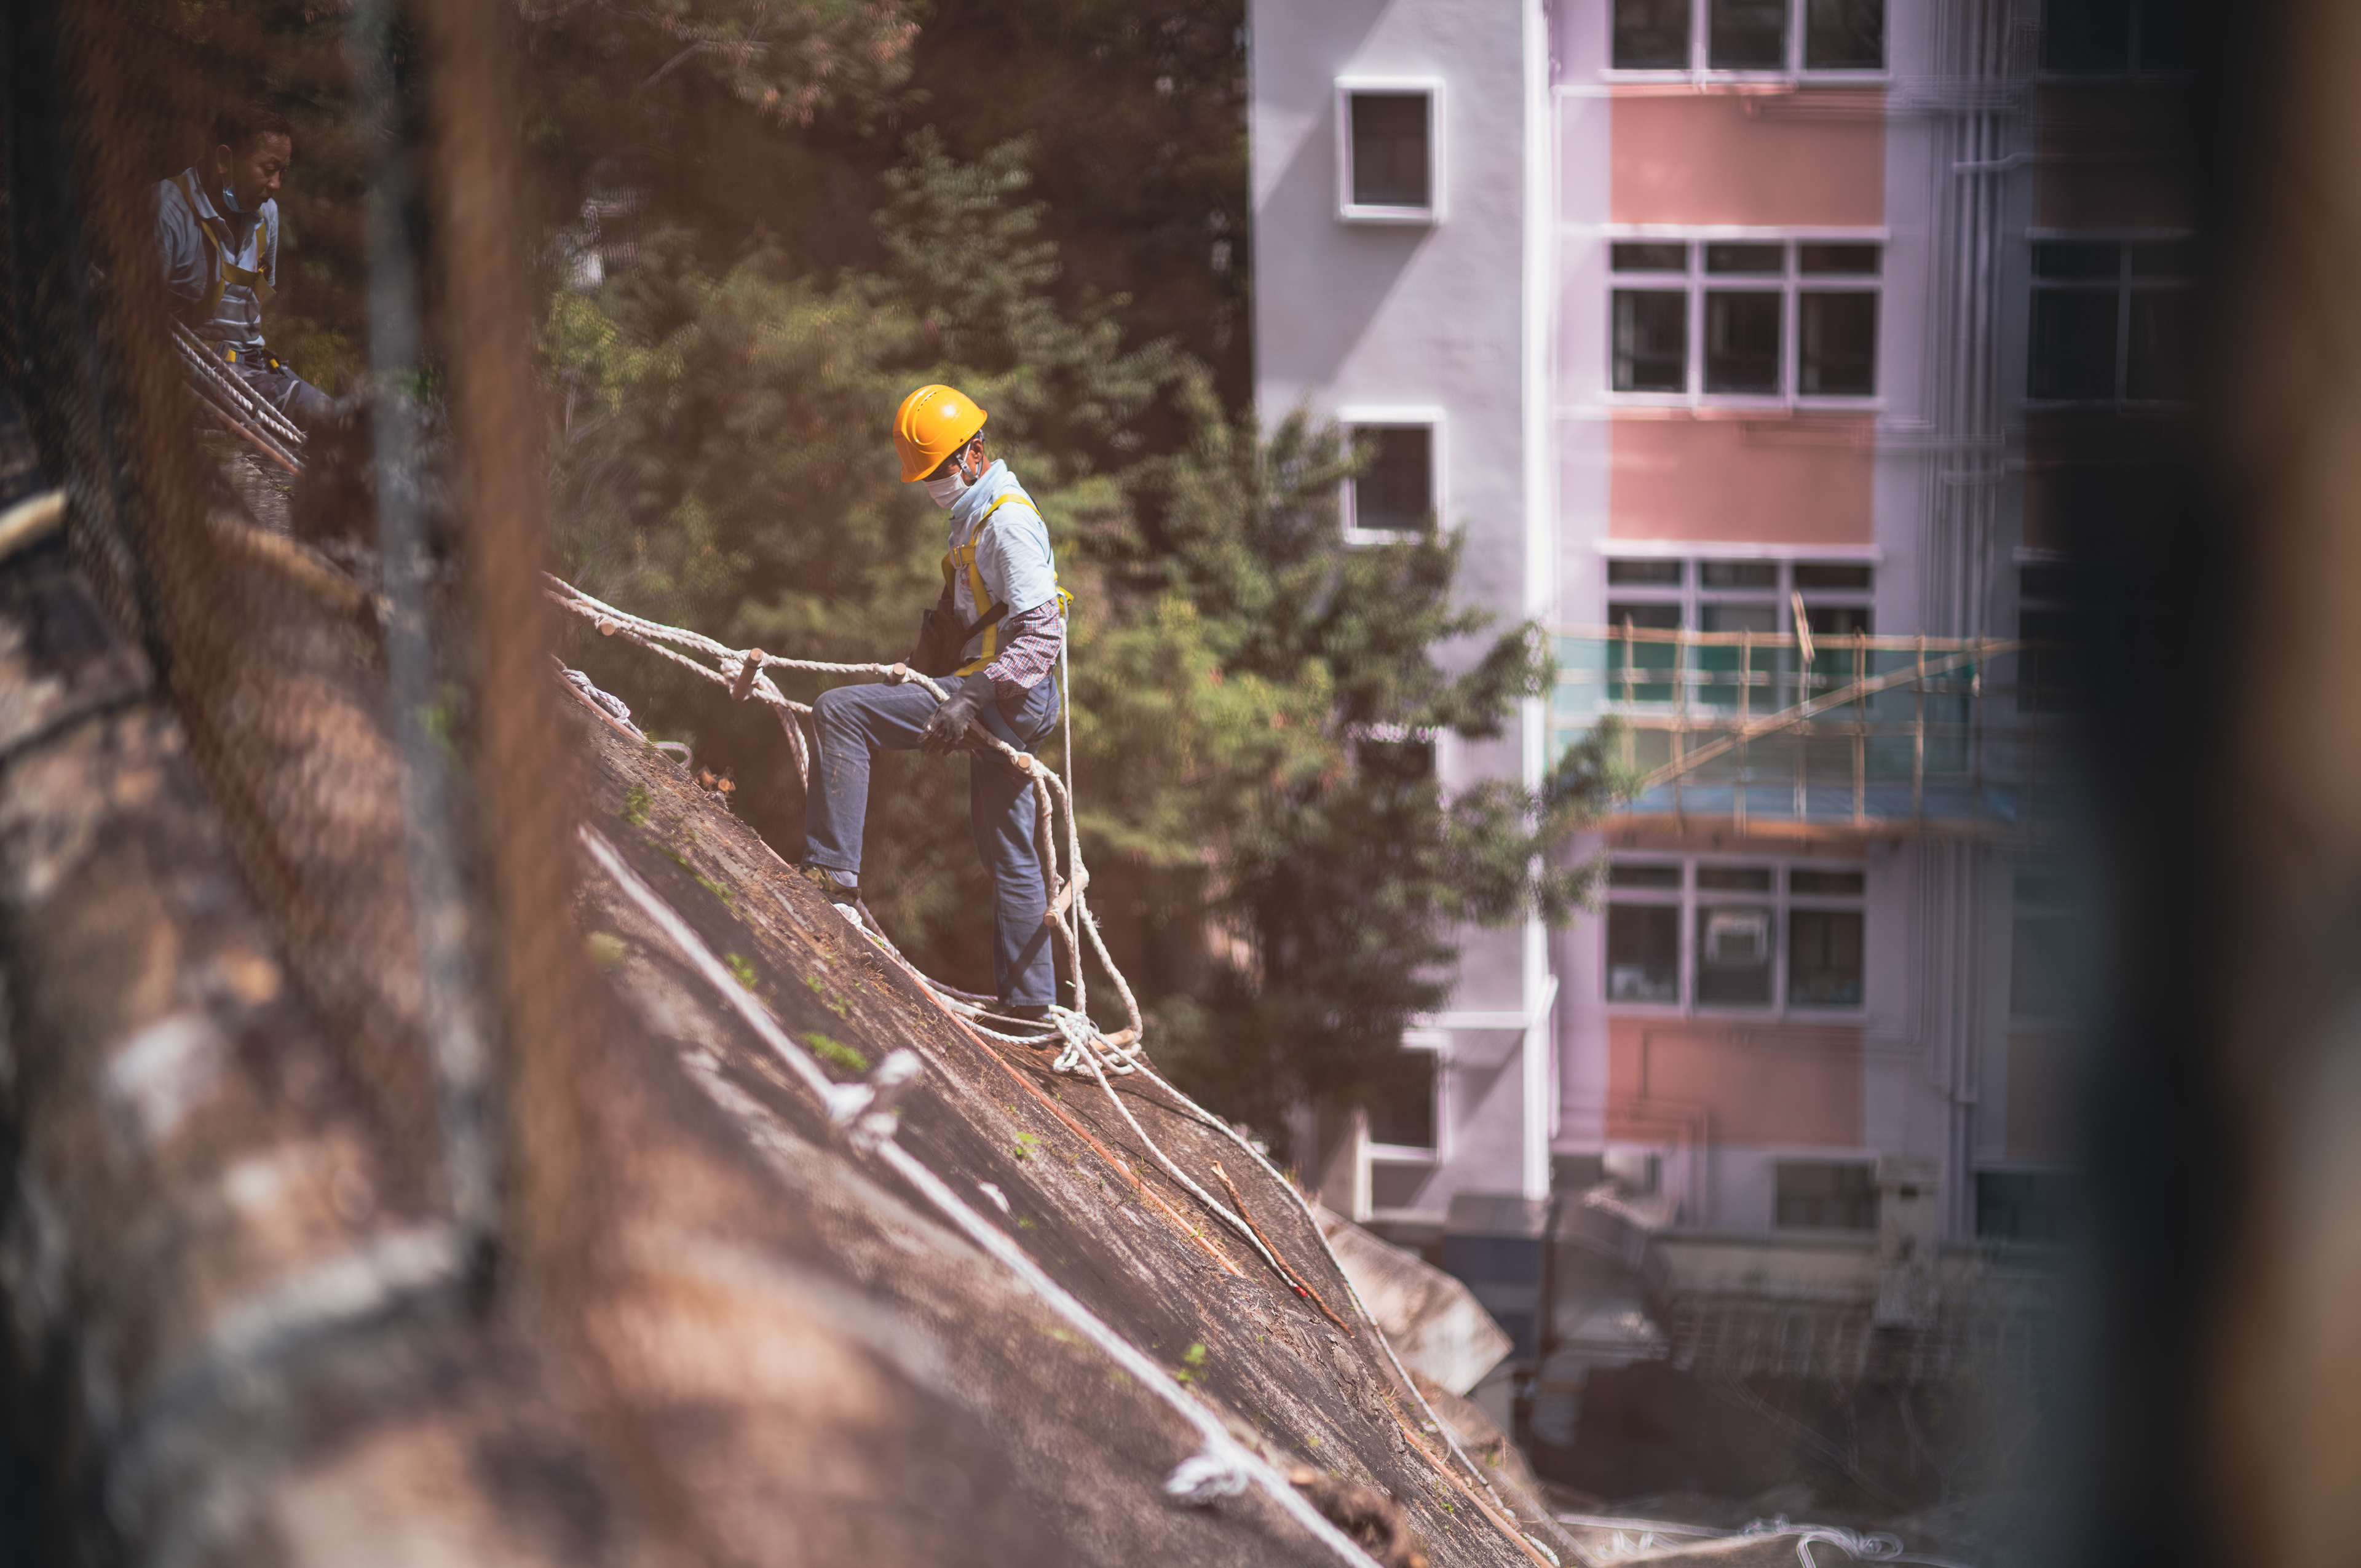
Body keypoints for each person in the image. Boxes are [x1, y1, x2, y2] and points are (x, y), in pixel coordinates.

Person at [799, 384, 1067, 1021]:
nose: (934, 483)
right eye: (927, 474)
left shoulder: (1006, 522)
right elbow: (969, 616)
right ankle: (1032, 1007)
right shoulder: (974, 516)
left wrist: (971, 694)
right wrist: (919, 675)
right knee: (1010, 851)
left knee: (841, 712)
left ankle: (832, 874)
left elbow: (1045, 633)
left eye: (941, 469)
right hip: (1003, 691)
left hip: (1007, 693)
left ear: (975, 453)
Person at [155, 101, 334, 431]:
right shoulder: (169, 210)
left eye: (283, 171)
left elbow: (252, 305)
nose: (277, 183)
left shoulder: (267, 216)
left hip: (257, 368)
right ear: (225, 160)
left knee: (340, 416)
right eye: (268, 169)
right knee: (330, 420)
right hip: (197, 371)